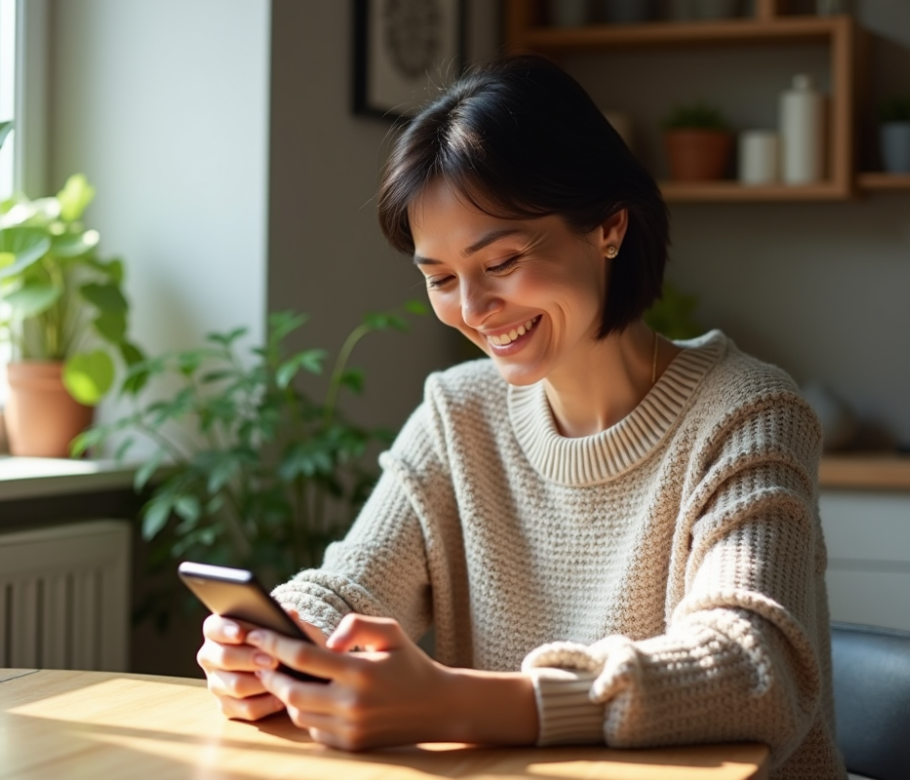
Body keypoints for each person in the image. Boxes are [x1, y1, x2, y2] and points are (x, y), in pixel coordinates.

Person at [197, 55, 847, 778]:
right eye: (440, 279)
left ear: (608, 226)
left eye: (501, 262)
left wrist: (454, 703)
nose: (472, 311)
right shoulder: (458, 413)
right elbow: (349, 586)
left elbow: (752, 669)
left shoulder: (748, 412)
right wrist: (277, 641)